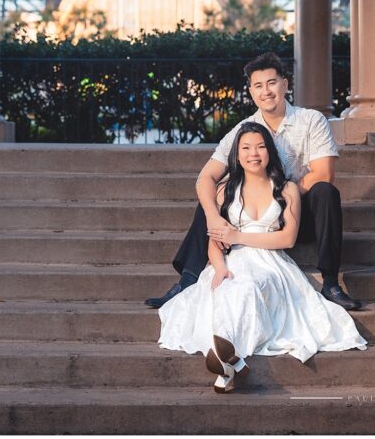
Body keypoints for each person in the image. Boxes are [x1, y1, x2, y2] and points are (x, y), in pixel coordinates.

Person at [156, 121, 368, 393]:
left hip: (270, 260)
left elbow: (287, 239)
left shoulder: (287, 189)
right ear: (237, 154)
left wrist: (238, 237)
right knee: (228, 288)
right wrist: (219, 266)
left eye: (260, 147)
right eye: (245, 148)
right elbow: (214, 242)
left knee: (250, 287)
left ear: (269, 151)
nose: (253, 153)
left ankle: (227, 364)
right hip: (232, 261)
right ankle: (230, 360)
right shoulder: (225, 190)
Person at [145, 52, 362, 311]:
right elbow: (206, 176)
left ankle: (330, 282)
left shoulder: (310, 120)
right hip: (253, 214)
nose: (266, 91)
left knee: (326, 191)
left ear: (285, 84)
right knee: (210, 201)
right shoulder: (244, 130)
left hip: (298, 213)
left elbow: (323, 173)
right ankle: (188, 279)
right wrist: (214, 217)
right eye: (258, 86)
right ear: (250, 91)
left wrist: (280, 198)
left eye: (272, 83)